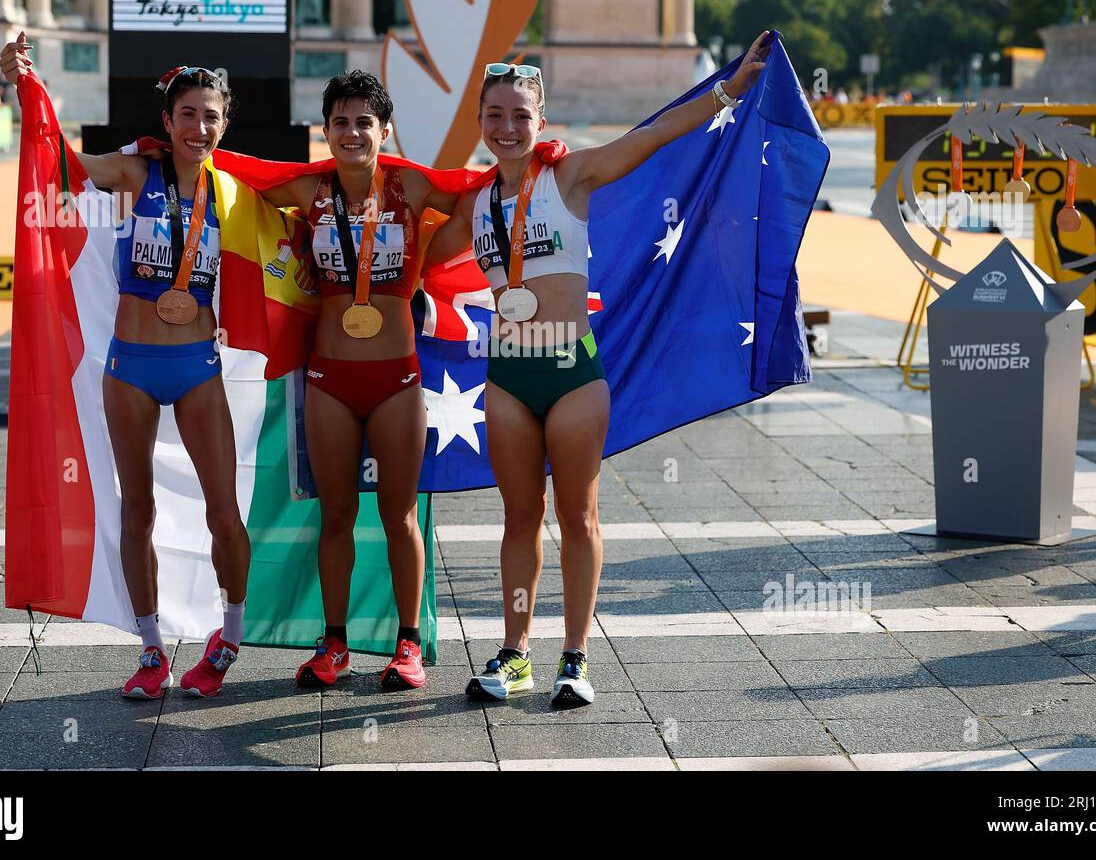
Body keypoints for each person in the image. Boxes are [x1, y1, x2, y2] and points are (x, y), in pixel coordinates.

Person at [424, 34, 772, 705]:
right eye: (494, 115)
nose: (506, 127)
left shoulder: (572, 176)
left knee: (578, 518)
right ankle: (514, 654)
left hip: (572, 373)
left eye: (520, 116)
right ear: (481, 125)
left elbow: (653, 137)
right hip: (509, 378)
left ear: (540, 122)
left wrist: (726, 91)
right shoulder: (475, 205)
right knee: (519, 520)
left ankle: (576, 658)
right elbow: (417, 253)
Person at [0, 32, 253, 700]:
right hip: (129, 367)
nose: (200, 126)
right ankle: (149, 650)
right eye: (188, 114)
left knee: (223, 512)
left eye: (211, 116)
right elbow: (58, 167)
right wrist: (26, 90)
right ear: (167, 123)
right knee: (134, 507)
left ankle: (229, 634)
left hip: (198, 366)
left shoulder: (233, 195)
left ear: (225, 124)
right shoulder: (136, 174)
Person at [256, 70, 462, 691]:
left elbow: (481, 197)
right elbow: (237, 185)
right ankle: (336, 642)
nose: (352, 132)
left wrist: (539, 162)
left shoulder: (411, 185)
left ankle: (408, 643)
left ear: (384, 130)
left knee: (401, 517)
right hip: (328, 381)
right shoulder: (306, 188)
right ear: (325, 131)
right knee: (337, 515)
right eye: (340, 122)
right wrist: (164, 155)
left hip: (398, 380)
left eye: (364, 122)